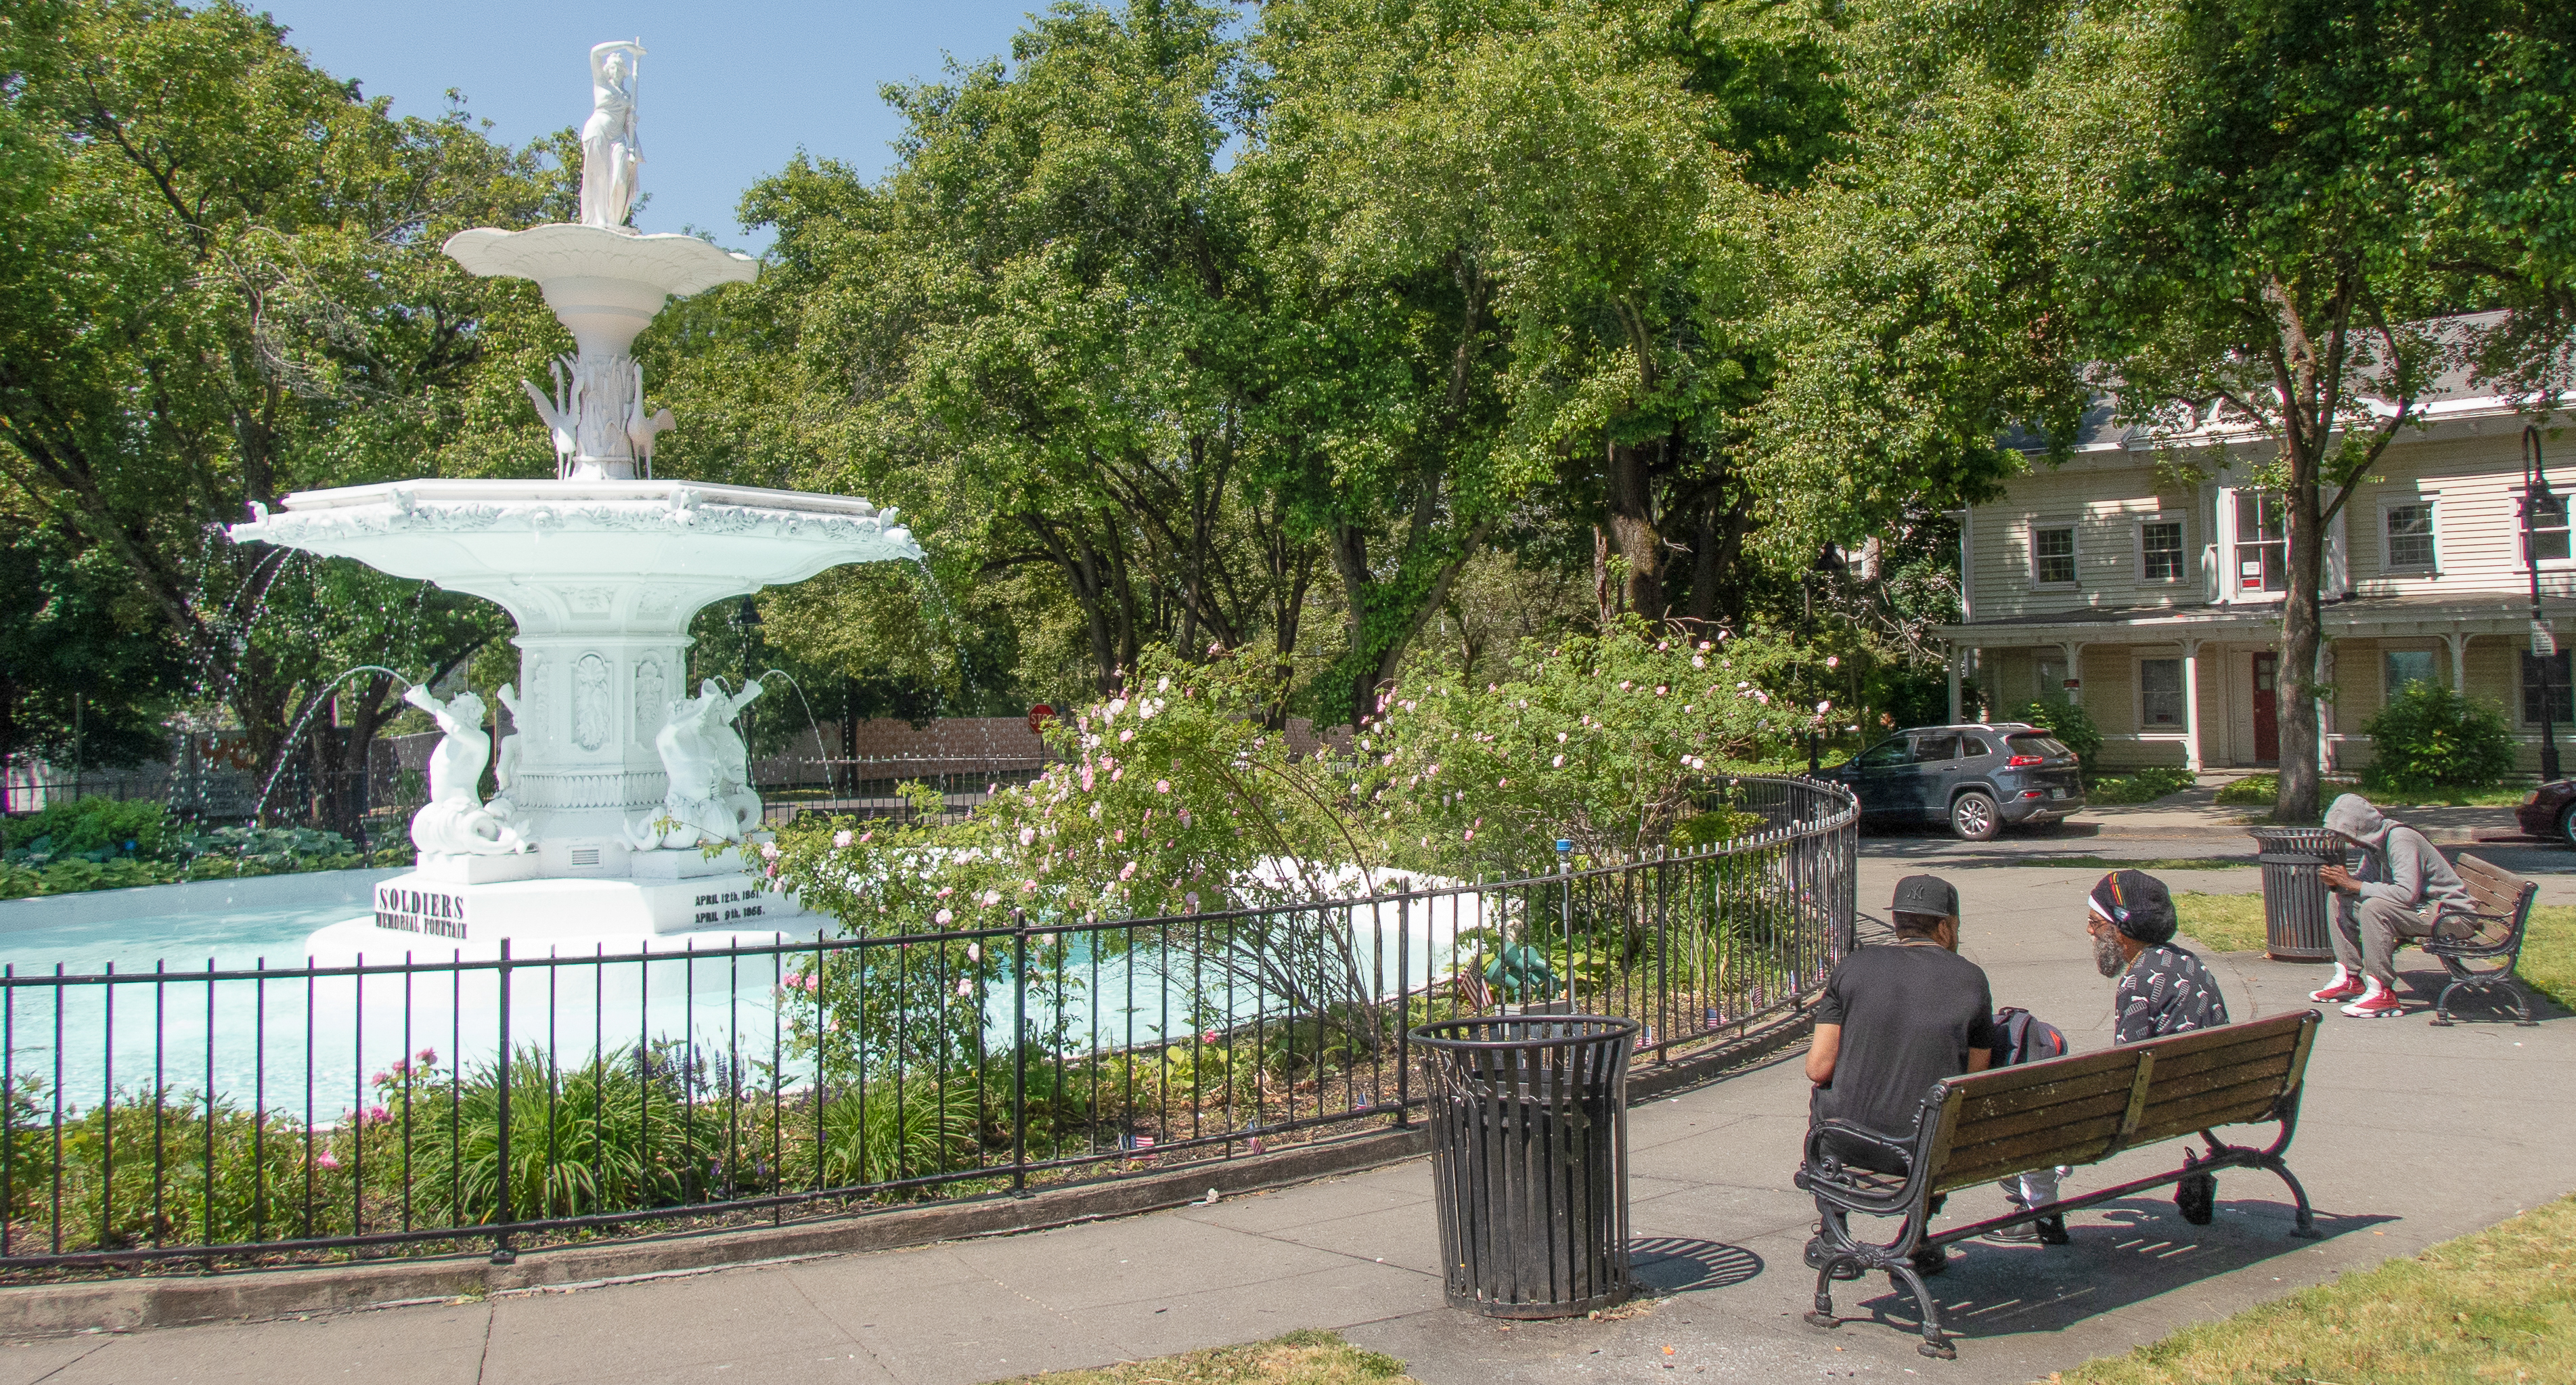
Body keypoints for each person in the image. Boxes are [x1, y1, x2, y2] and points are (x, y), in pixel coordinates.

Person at [1804, 874, 1998, 1277]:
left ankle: (1833, 1235)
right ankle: (1917, 1238)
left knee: (1824, 1095)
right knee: (1948, 1112)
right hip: (1923, 1152)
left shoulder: (1853, 968)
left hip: (1845, 1143)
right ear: (1946, 926)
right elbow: (1972, 1079)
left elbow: (1818, 1067)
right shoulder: (1971, 980)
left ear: (1897, 923)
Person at [2085, 869, 2229, 1221]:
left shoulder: (2137, 981)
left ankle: (2037, 1205)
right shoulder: (2190, 962)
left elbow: (2126, 1069)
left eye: (2095, 922)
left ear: (2122, 930)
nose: (2089, 931)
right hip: (2220, 1093)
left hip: (2163, 1104)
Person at [2309, 793, 2472, 1019]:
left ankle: (2382, 993)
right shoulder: (2376, 843)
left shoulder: (2400, 839)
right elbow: (2365, 880)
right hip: (2425, 910)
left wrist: (2353, 884)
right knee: (2339, 898)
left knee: (2374, 908)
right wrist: (2340, 884)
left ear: (2362, 826)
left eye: (2349, 834)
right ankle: (2349, 978)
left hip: (2452, 917)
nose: (2349, 842)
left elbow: (2406, 894)